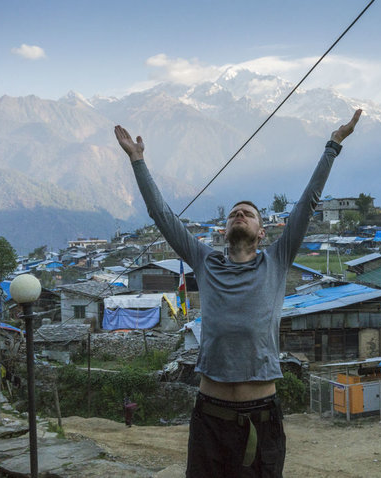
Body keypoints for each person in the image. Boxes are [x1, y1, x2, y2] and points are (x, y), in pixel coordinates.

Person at [115, 109, 362, 478]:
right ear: (224, 230)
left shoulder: (276, 261)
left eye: (247, 213)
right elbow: (163, 216)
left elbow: (307, 203)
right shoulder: (205, 261)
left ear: (262, 232)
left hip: (261, 417)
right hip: (209, 416)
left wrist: (333, 145)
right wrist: (138, 161)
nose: (239, 215)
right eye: (233, 214)